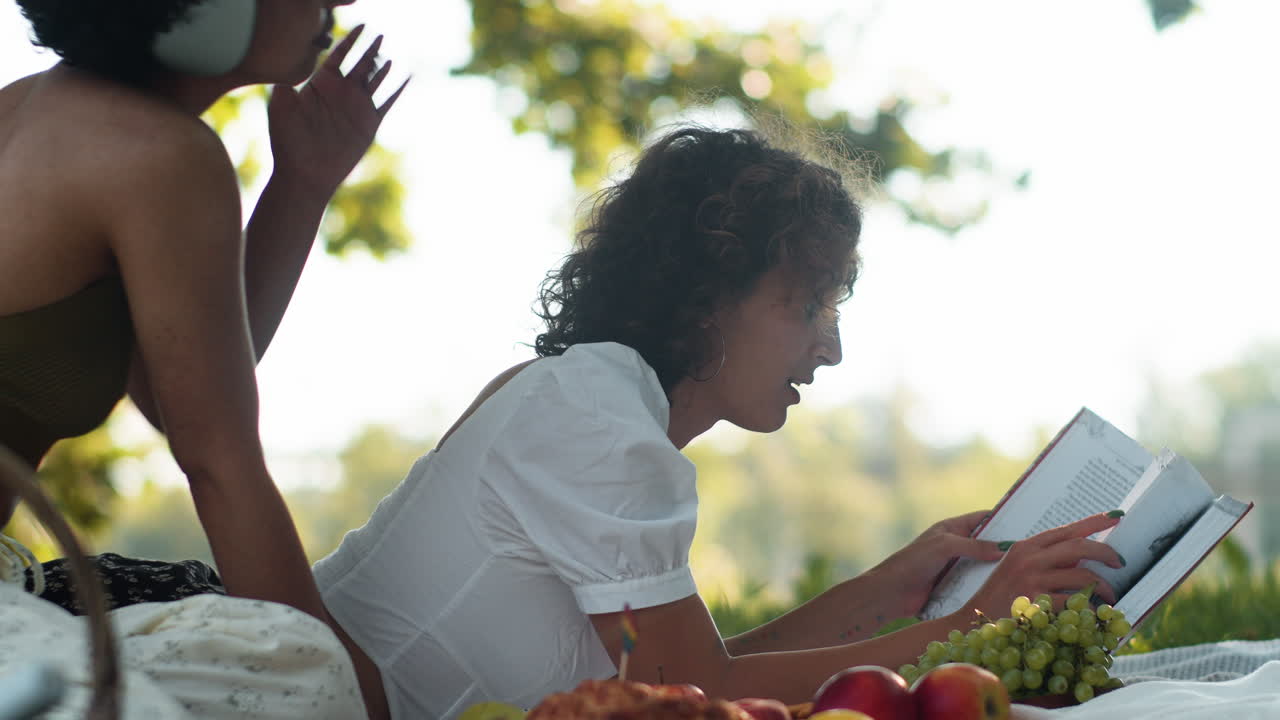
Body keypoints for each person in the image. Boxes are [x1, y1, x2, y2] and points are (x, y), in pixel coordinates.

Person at [313, 124, 1128, 718]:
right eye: (808, 304)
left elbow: (689, 677)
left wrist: (883, 593)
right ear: (706, 302)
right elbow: (706, 694)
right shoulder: (592, 424)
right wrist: (981, 617)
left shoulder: (583, 397)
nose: (831, 347)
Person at [0, 1, 402, 717]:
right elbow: (219, 461)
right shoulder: (156, 152)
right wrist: (362, 697)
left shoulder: (34, 107)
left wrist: (301, 185)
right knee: (308, 679)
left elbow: (178, 393)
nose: (336, 2)